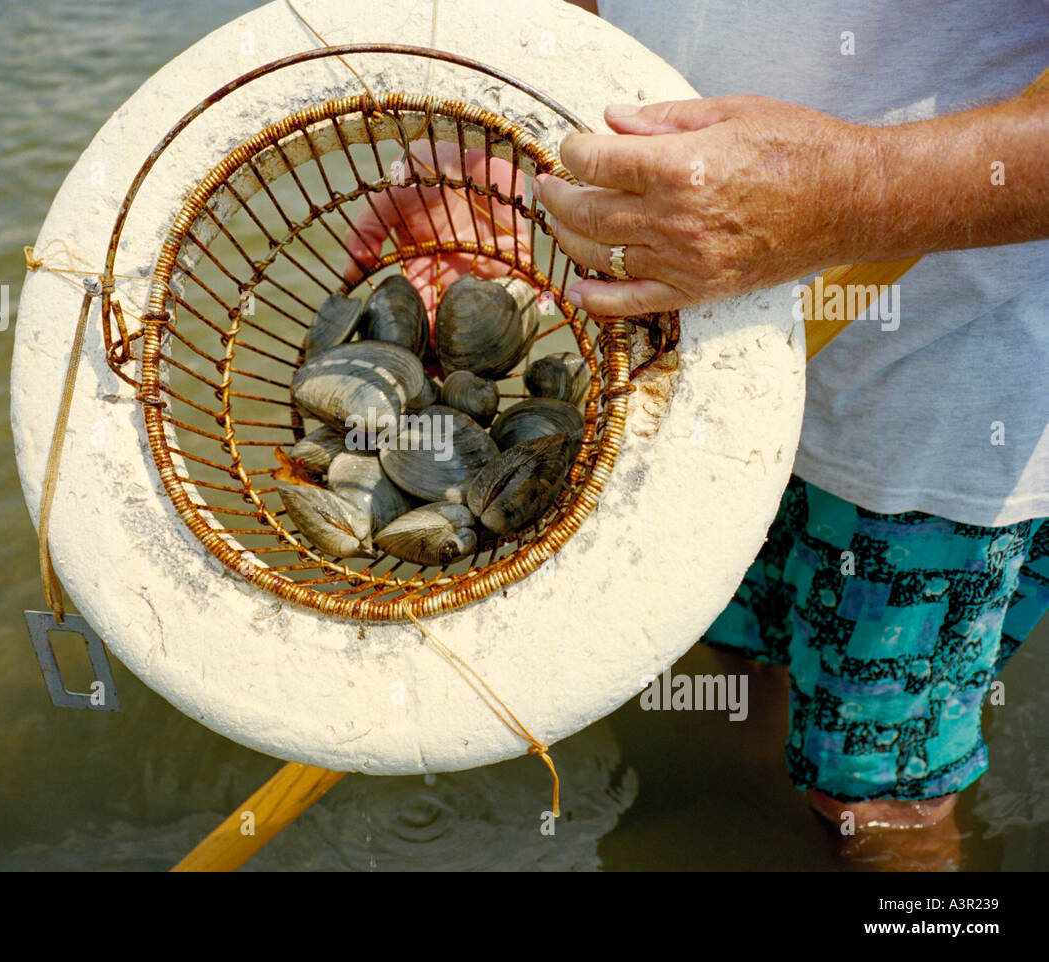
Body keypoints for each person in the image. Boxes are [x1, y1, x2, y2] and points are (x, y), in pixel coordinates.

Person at [343, 0, 1049, 866]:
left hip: (931, 423)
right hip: (687, 382)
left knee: (875, 798)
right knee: (731, 671)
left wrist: (849, 193)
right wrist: (502, 134)